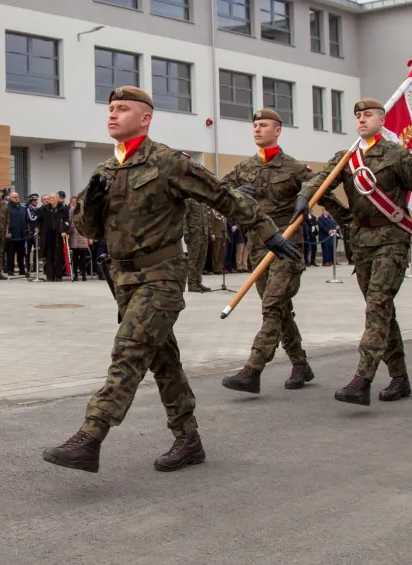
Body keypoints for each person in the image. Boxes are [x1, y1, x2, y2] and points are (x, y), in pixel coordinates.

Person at [42, 87, 300, 474]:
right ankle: (188, 439)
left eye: (123, 109)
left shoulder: (167, 162)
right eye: (110, 109)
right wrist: (89, 203)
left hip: (161, 276)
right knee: (163, 361)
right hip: (123, 278)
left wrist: (267, 232)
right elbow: (90, 230)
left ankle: (90, 436)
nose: (112, 115)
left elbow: (222, 195)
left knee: (128, 352)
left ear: (145, 118)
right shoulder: (104, 171)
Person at [300, 97, 412, 406]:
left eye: (368, 115)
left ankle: (362, 379)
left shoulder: (398, 155)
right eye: (358, 115)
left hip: (391, 239)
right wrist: (306, 196)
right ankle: (399, 378)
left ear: (382, 121)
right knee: (382, 311)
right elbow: (321, 181)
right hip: (362, 241)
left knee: (377, 306)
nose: (361, 119)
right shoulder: (347, 157)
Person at [219, 108, 314, 394]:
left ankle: (253, 369)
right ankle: (300, 364)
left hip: (287, 246)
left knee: (273, 305)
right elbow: (219, 188)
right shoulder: (244, 168)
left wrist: (304, 195)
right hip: (258, 248)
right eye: (255, 125)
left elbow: (318, 182)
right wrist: (235, 194)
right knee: (279, 308)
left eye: (264, 125)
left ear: (278, 130)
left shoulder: (294, 167)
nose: (257, 130)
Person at [39, 192, 70, 281]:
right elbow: (39, 220)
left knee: (58, 257)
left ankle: (59, 276)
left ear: (57, 199)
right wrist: (38, 227)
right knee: (49, 257)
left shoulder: (63, 209)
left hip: (58, 235)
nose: (50, 199)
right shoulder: (45, 209)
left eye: (52, 198)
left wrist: (64, 230)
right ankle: (50, 276)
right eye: (49, 198)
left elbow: (66, 221)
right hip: (48, 235)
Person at [183, 199, 211, 293]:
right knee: (193, 260)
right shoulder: (189, 200)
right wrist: (185, 232)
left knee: (201, 260)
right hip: (194, 234)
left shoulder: (203, 201)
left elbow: (207, 217)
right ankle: (192, 284)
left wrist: (209, 231)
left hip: (204, 233)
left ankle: (198, 281)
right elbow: (184, 216)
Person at [6, 191, 32, 277]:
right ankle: (10, 269)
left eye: (17, 197)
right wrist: (7, 232)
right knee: (11, 254)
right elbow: (5, 222)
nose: (16, 198)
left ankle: (21, 269)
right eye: (14, 197)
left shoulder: (22, 208)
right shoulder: (7, 208)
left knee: (21, 254)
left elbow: (26, 220)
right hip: (12, 235)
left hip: (21, 235)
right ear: (10, 198)